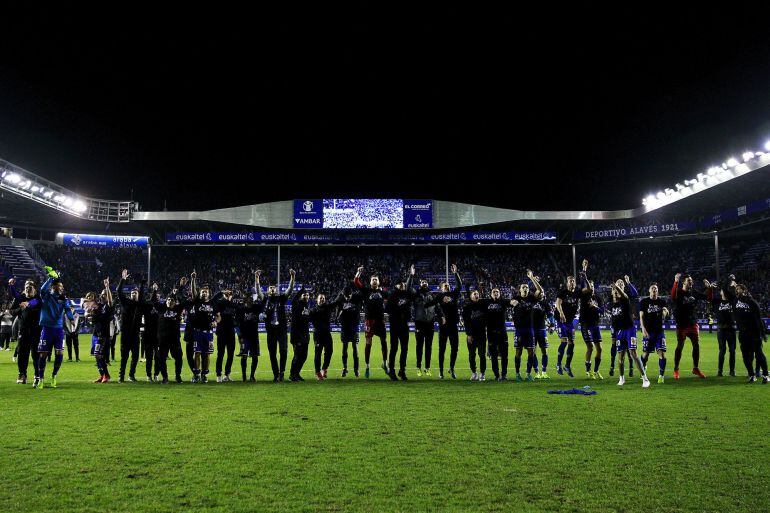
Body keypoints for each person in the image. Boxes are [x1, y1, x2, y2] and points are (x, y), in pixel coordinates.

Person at [35, 267, 75, 389]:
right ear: (53, 287)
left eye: (61, 286)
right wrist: (50, 278)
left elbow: (67, 309)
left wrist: (71, 318)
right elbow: (42, 289)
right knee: (43, 355)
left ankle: (54, 376)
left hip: (58, 330)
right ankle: (41, 378)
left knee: (60, 352)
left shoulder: (63, 299)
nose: (60, 288)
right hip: (47, 329)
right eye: (58, 286)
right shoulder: (46, 296)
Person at [610, 279, 650, 388]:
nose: (620, 284)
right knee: (620, 358)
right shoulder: (613, 302)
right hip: (620, 332)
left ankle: (645, 378)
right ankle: (621, 378)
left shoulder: (625, 298)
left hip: (630, 329)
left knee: (634, 354)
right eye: (619, 283)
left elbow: (624, 294)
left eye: (622, 284)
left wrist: (616, 287)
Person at [726, 281, 768, 383]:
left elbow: (758, 319)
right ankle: (751, 375)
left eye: (738, 289)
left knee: (759, 354)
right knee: (745, 355)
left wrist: (763, 333)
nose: (736, 291)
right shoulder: (735, 301)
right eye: (736, 290)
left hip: (754, 332)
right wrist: (731, 284)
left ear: (744, 290)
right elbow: (725, 291)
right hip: (743, 333)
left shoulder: (752, 302)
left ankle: (766, 375)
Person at [353, 265, 390, 378]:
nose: (374, 281)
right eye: (373, 279)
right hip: (369, 321)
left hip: (380, 321)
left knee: (384, 341)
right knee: (368, 343)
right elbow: (356, 281)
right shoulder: (366, 291)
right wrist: (358, 272)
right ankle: (367, 366)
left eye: (376, 279)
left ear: (378, 282)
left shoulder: (383, 292)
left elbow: (391, 299)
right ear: (370, 282)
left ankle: (384, 363)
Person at [670, 273, 708, 379]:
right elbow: (673, 296)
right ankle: (676, 369)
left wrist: (709, 288)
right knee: (680, 346)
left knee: (696, 346)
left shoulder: (694, 293)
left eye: (691, 280)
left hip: (692, 323)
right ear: (684, 282)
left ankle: (695, 368)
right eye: (689, 280)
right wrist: (675, 281)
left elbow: (705, 297)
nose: (691, 282)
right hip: (681, 325)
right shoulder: (678, 292)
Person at [511, 270, 543, 382]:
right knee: (518, 352)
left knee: (531, 352)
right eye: (523, 287)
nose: (525, 288)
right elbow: (511, 303)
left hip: (530, 329)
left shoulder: (532, 298)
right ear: (520, 289)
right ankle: (517, 373)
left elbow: (540, 290)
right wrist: (512, 302)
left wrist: (532, 278)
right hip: (519, 330)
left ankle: (528, 373)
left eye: (526, 287)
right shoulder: (515, 298)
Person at [156, 285, 191, 384]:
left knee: (179, 358)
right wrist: (155, 290)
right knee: (161, 358)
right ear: (165, 301)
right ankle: (165, 377)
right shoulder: (161, 309)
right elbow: (154, 301)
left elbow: (184, 302)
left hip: (174, 339)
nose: (169, 301)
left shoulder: (178, 309)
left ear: (175, 302)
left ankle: (178, 376)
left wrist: (177, 293)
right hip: (162, 340)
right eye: (168, 300)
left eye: (172, 300)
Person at [264, 269, 294, 382]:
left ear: (277, 289)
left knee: (283, 351)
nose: (272, 289)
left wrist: (292, 277)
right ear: (268, 291)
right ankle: (275, 374)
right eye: (270, 288)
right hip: (271, 331)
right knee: (272, 353)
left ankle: (282, 372)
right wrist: (257, 279)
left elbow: (290, 289)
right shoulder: (265, 299)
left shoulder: (281, 298)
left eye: (274, 287)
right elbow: (258, 290)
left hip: (281, 330)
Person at [9, 278, 41, 384]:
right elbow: (12, 311)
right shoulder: (19, 298)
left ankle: (38, 375)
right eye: (26, 286)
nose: (28, 288)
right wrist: (20, 309)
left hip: (36, 331)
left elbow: (36, 304)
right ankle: (22, 374)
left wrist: (28, 303)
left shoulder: (39, 298)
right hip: (23, 330)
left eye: (30, 286)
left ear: (35, 289)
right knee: (23, 354)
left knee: (36, 354)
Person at [386, 265, 415, 381]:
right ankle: (392, 371)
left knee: (404, 349)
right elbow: (388, 309)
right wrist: (400, 312)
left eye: (403, 283)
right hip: (395, 325)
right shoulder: (392, 295)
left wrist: (411, 275)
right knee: (394, 349)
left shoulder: (407, 293)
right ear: (396, 285)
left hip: (404, 326)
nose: (403, 285)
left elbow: (409, 286)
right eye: (401, 284)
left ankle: (402, 370)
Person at [235, 270, 265, 382]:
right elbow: (237, 323)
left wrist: (257, 280)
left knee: (255, 356)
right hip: (245, 336)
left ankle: (252, 375)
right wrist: (240, 336)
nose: (251, 300)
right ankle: (244, 376)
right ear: (245, 299)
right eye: (249, 298)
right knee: (243, 356)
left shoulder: (256, 308)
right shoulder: (241, 309)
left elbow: (264, 299)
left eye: (251, 298)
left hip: (254, 336)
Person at [117, 269, 145, 382]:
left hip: (135, 334)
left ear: (138, 295)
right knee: (124, 357)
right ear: (130, 294)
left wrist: (142, 285)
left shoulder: (140, 304)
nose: (134, 294)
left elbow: (143, 295)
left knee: (135, 356)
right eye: (132, 293)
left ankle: (131, 375)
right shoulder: (125, 302)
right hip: (126, 334)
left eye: (136, 293)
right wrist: (123, 280)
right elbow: (119, 292)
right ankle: (121, 376)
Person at [83, 278, 114, 383]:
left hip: (103, 335)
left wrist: (107, 288)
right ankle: (102, 375)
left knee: (98, 354)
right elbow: (88, 315)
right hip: (95, 334)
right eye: (102, 294)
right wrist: (88, 314)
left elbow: (110, 300)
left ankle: (106, 375)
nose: (103, 296)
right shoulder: (97, 307)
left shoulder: (108, 307)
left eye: (105, 294)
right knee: (96, 356)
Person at [189, 270, 217, 383]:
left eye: (206, 292)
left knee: (207, 354)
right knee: (197, 353)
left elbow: (218, 316)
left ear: (209, 293)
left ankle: (205, 374)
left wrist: (216, 322)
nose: (204, 293)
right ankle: (196, 374)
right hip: (198, 332)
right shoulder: (197, 302)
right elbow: (193, 291)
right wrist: (193, 279)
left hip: (209, 333)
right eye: (202, 292)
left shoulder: (213, 304)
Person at [413, 275, 443, 377]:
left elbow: (438, 307)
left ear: (428, 284)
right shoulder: (416, 295)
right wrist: (411, 275)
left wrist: (442, 316)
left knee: (428, 347)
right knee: (419, 346)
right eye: (422, 282)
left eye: (426, 282)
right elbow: (408, 288)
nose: (424, 283)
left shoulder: (432, 295)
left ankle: (427, 368)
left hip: (430, 323)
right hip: (419, 323)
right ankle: (418, 367)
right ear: (420, 284)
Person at [435, 264, 462, 379]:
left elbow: (459, 286)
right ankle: (441, 371)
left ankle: (451, 368)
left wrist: (455, 273)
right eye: (444, 286)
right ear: (441, 288)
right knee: (442, 349)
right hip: (443, 327)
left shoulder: (453, 295)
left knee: (454, 348)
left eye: (448, 285)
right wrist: (441, 316)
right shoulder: (438, 297)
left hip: (453, 326)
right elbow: (436, 309)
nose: (447, 286)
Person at [578, 260, 604, 379]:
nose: (591, 287)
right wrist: (584, 269)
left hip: (595, 325)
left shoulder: (598, 298)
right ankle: (588, 371)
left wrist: (596, 307)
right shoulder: (584, 295)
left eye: (593, 286)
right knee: (590, 347)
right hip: (585, 324)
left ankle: (596, 370)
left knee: (600, 348)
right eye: (590, 286)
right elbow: (583, 281)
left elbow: (602, 311)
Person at [705, 279, 736, 377]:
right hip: (721, 329)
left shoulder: (732, 301)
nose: (724, 291)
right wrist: (709, 288)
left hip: (731, 329)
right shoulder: (717, 302)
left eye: (725, 290)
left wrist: (734, 286)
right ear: (720, 292)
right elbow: (709, 298)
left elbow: (739, 297)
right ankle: (720, 371)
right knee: (722, 350)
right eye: (722, 290)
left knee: (732, 350)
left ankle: (732, 371)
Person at [639, 283, 669, 384]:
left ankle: (661, 375)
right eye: (652, 289)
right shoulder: (644, 301)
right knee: (646, 354)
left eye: (656, 289)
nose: (654, 290)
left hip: (659, 332)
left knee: (662, 354)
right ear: (649, 290)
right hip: (648, 332)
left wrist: (665, 313)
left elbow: (666, 310)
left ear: (658, 291)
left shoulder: (662, 301)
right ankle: (643, 368)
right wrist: (643, 328)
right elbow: (641, 316)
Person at [555, 275, 581, 377]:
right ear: (567, 283)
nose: (572, 282)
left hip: (569, 321)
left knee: (572, 343)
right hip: (561, 320)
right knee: (564, 341)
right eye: (570, 281)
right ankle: (558, 364)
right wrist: (561, 313)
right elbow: (558, 303)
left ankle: (567, 365)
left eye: (573, 281)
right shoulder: (563, 292)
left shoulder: (577, 293)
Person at [309, 292, 339, 380]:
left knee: (329, 351)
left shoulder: (328, 307)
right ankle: (317, 372)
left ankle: (324, 369)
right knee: (318, 353)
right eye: (320, 298)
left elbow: (336, 302)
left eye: (323, 298)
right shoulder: (313, 310)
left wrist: (341, 294)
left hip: (327, 334)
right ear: (316, 300)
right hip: (317, 334)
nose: (322, 299)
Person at [462, 288, 489, 381]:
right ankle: (474, 373)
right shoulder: (467, 307)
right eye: (474, 294)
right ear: (471, 296)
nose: (476, 295)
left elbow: (487, 320)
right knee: (471, 355)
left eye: (477, 293)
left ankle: (482, 373)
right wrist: (469, 334)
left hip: (481, 334)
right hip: (471, 335)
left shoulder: (483, 305)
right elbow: (466, 322)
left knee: (482, 355)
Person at [336, 286, 362, 377]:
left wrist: (345, 310)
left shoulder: (356, 298)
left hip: (354, 326)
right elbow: (337, 313)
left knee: (355, 347)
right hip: (345, 326)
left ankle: (356, 369)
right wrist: (338, 316)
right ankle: (345, 368)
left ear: (352, 293)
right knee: (345, 347)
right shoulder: (340, 299)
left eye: (349, 295)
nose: (347, 297)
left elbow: (357, 310)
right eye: (346, 296)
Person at [485, 287, 511, 381]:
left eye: (497, 292)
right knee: (494, 356)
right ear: (491, 294)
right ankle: (496, 375)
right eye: (494, 292)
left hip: (502, 332)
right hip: (491, 333)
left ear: (499, 293)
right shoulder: (486, 302)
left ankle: (504, 375)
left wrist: (513, 302)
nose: (496, 293)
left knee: (504, 355)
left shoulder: (503, 302)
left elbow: (511, 302)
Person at [213, 287, 237, 382]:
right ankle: (218, 375)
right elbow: (213, 300)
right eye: (226, 294)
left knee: (231, 354)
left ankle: (227, 374)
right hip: (221, 331)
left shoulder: (233, 304)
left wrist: (230, 299)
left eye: (229, 294)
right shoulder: (219, 303)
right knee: (221, 354)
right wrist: (221, 292)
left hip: (231, 331)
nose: (228, 295)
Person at [289, 282, 311, 382]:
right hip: (297, 335)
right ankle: (292, 375)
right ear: (301, 296)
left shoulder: (307, 306)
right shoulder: (297, 305)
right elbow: (293, 300)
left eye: (307, 294)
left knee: (304, 356)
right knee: (297, 355)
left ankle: (297, 373)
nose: (306, 296)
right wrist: (300, 291)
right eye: (304, 295)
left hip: (305, 336)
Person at [140, 283, 160, 381]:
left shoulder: (159, 307)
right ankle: (149, 375)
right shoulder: (146, 308)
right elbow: (146, 299)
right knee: (149, 357)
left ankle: (156, 374)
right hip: (148, 335)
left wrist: (155, 290)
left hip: (157, 336)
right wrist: (155, 290)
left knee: (157, 357)